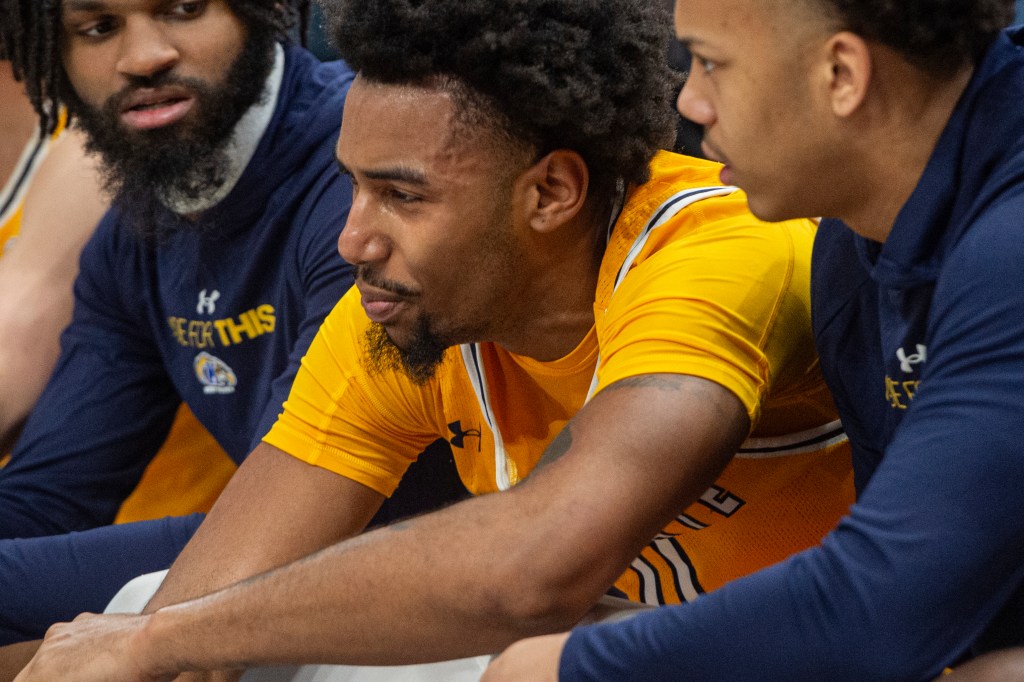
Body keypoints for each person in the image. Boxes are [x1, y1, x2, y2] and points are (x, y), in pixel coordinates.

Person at [11, 0, 855, 679]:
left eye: (400, 197)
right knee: (157, 615)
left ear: (551, 191)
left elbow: (539, 565)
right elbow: (194, 615)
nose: (353, 241)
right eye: (352, 187)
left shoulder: (717, 248)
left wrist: (163, 643)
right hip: (581, 636)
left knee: (535, 662)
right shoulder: (402, 314)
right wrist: (155, 645)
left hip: (833, 650)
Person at [482, 0, 1024, 680]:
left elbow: (873, 615)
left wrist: (573, 665)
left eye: (711, 63)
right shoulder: (851, 246)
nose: (691, 102)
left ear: (841, 73)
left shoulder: (1009, 246)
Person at [0, 0, 464, 657]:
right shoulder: (132, 234)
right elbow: (49, 498)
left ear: (265, 9)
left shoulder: (362, 175)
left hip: (455, 599)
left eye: (183, 9)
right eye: (98, 28)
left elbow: (303, 522)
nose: (142, 57)